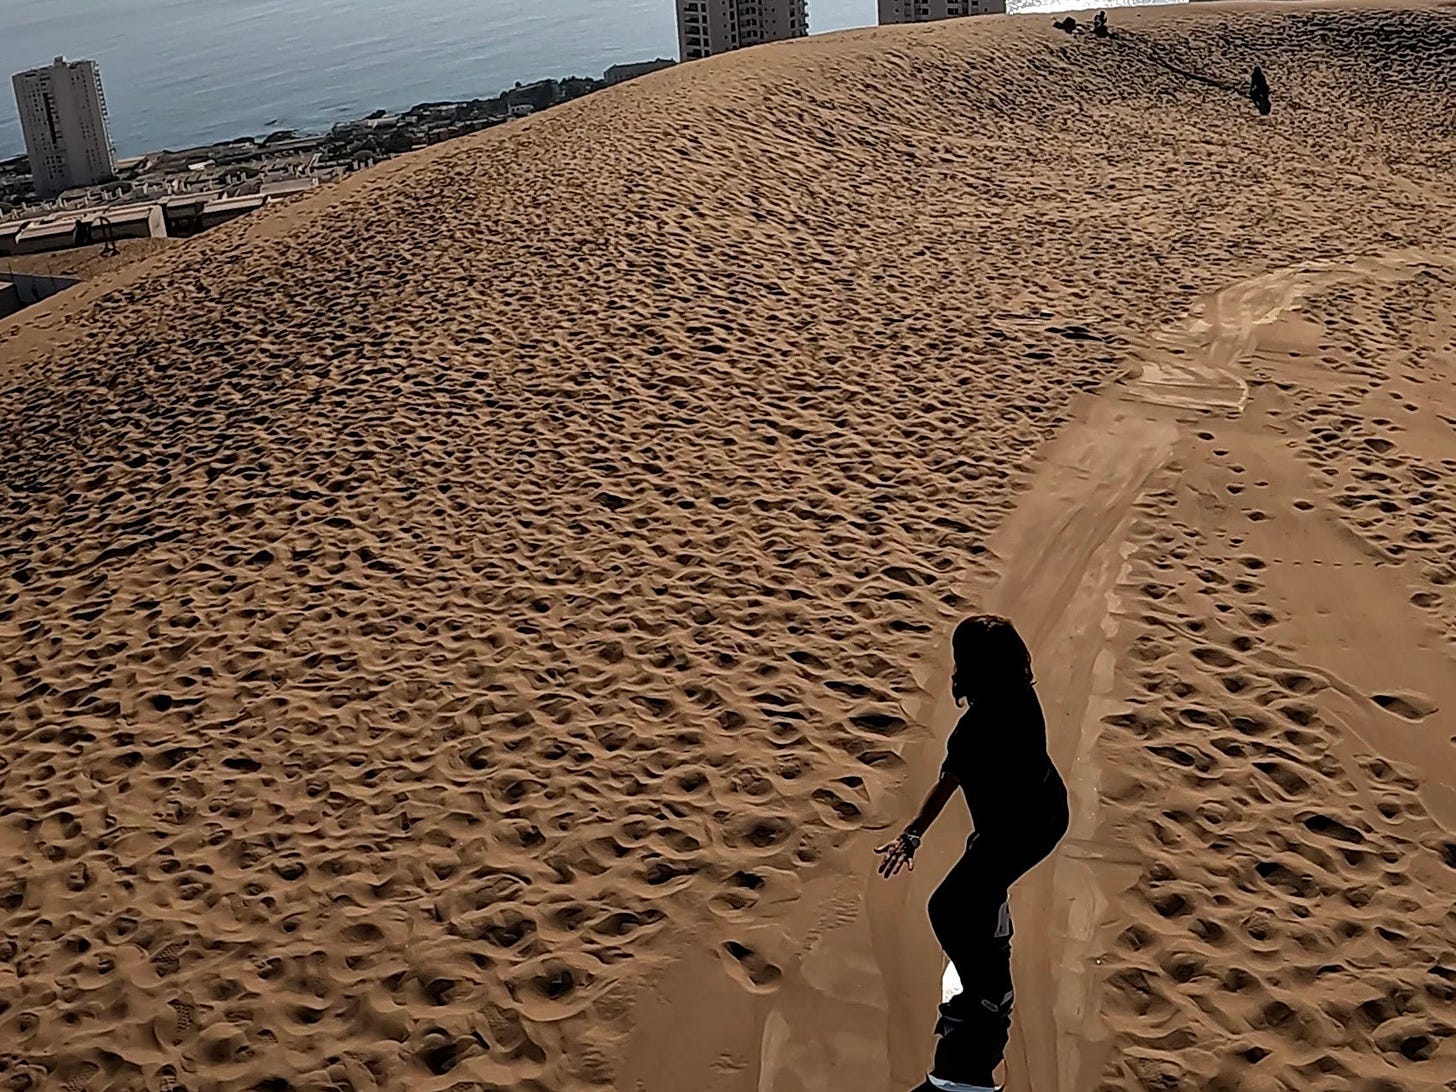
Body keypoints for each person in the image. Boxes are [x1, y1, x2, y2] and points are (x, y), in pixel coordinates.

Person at [876, 615, 1069, 1092]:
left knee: (945, 908)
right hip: (1047, 814)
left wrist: (913, 834)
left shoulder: (975, 731)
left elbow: (947, 785)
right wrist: (914, 834)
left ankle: (989, 992)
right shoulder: (1023, 699)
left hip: (1016, 832)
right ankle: (995, 926)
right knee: (979, 882)